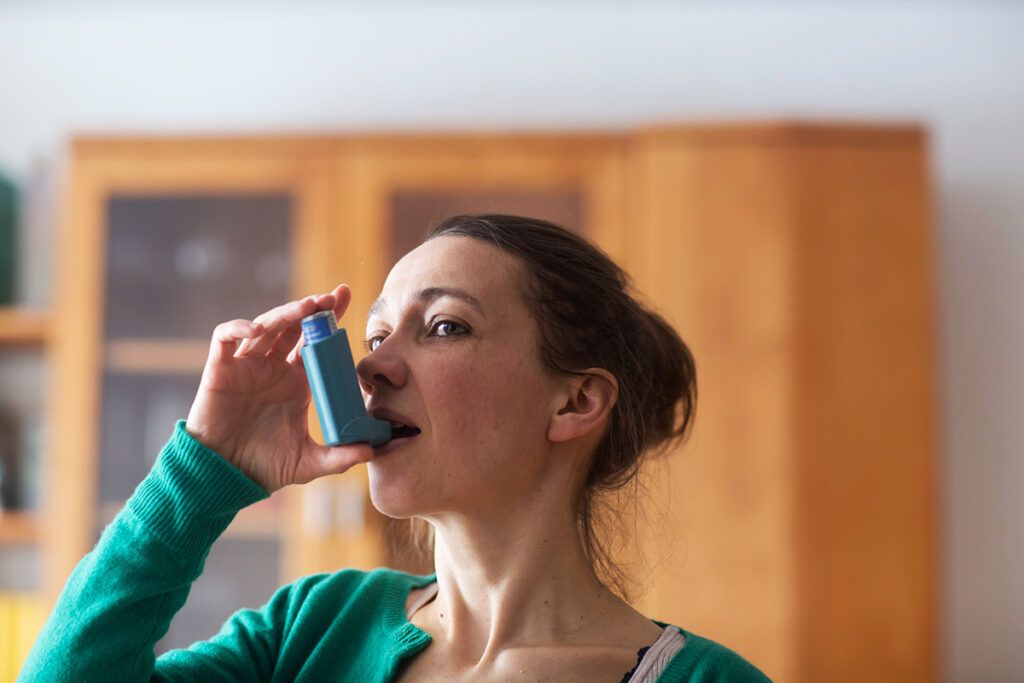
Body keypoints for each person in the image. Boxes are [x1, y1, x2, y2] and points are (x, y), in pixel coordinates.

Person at [22, 214, 770, 681]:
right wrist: (204, 467)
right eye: (376, 333)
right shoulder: (311, 631)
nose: (371, 364)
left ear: (574, 401)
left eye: (445, 326)